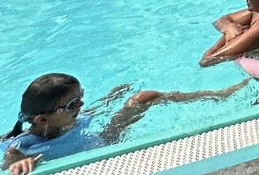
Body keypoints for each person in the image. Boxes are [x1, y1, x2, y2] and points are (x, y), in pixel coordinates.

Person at [2, 74, 245, 174]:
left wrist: (110, 99)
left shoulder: (67, 120)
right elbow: (9, 164)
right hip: (102, 147)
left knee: (144, 97)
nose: (81, 105)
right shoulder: (22, 146)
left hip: (104, 141)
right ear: (42, 120)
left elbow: (92, 113)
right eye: (73, 104)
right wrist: (19, 164)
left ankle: (218, 94)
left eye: (81, 96)